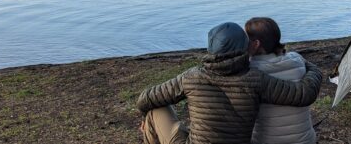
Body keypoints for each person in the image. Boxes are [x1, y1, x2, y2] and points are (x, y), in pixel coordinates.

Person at [137, 22, 322, 144]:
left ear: (210, 48)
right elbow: (304, 94)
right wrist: (311, 67)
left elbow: (145, 99)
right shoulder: (256, 79)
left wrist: (146, 120)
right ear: (244, 47)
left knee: (155, 109)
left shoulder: (191, 77)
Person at [246, 17, 316, 144]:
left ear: (256, 44)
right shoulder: (297, 60)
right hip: (306, 140)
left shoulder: (250, 71)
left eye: (245, 40)